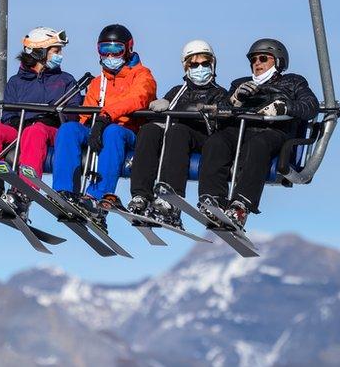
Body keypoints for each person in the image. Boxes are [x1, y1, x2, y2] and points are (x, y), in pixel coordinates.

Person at [197, 38, 319, 229]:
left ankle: (241, 205)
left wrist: (284, 107)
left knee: (258, 145)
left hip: (272, 132)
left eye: (263, 58)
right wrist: (235, 99)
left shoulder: (294, 82)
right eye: (253, 60)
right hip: (241, 130)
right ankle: (213, 199)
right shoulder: (240, 83)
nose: (257, 64)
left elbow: (311, 106)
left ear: (278, 61)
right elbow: (220, 109)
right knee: (216, 141)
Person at [0, 27, 83, 219]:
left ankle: (22, 192)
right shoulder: (16, 82)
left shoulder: (65, 81)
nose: (60, 55)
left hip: (51, 130)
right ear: (40, 52)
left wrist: (52, 115)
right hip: (20, 127)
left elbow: (74, 113)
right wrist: (18, 121)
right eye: (56, 51)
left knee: (35, 131)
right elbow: (8, 114)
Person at [51, 24, 157, 230]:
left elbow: (139, 98)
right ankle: (65, 192)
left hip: (128, 132)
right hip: (100, 127)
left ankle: (97, 197)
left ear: (128, 49)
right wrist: (90, 124)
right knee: (69, 129)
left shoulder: (142, 75)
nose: (110, 55)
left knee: (113, 132)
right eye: (104, 50)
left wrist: (105, 116)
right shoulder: (98, 82)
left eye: (116, 50)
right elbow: (86, 113)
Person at [127, 40, 227, 227]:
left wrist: (180, 108)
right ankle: (141, 195)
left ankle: (172, 198)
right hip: (176, 137)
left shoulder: (220, 93)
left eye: (204, 64)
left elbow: (218, 122)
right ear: (186, 67)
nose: (200, 68)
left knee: (178, 131)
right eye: (194, 64)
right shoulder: (177, 91)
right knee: (149, 130)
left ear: (212, 65)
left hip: (202, 137)